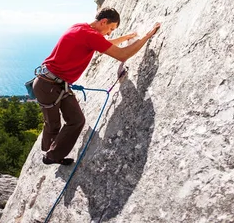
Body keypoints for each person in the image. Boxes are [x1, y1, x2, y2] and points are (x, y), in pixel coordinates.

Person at [33, 8, 161, 166]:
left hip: (55, 83)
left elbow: (103, 44)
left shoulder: (81, 28)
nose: (109, 33)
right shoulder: (90, 35)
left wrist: (127, 38)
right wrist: (147, 36)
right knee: (53, 124)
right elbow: (122, 55)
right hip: (49, 85)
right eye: (110, 29)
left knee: (76, 120)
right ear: (103, 22)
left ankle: (52, 154)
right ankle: (49, 153)